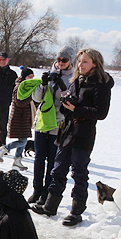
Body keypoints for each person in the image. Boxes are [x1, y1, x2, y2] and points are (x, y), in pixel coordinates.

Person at [32, 48, 114, 226]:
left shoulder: (101, 84)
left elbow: (101, 113)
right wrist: (67, 103)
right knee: (58, 168)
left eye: (85, 62)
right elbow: (65, 108)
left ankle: (76, 212)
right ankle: (50, 206)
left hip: (84, 133)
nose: (80, 65)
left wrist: (76, 109)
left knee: (79, 172)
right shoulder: (76, 80)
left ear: (95, 63)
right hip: (67, 130)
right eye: (79, 61)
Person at [29, 47, 75, 205]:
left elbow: (69, 101)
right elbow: (36, 98)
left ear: (70, 61)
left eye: (64, 60)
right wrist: (42, 85)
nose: (61, 63)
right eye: (59, 59)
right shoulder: (49, 74)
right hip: (43, 121)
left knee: (52, 160)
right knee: (39, 158)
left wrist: (62, 87)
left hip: (58, 122)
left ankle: (46, 193)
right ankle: (36, 190)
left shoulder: (73, 79)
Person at [0, 67, 35, 170]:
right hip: (19, 118)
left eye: (32, 76)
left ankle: (17, 160)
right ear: (24, 77)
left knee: (23, 139)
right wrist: (32, 97)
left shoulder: (28, 87)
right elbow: (19, 102)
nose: (31, 78)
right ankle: (3, 149)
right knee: (23, 141)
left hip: (25, 118)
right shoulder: (19, 87)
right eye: (29, 76)